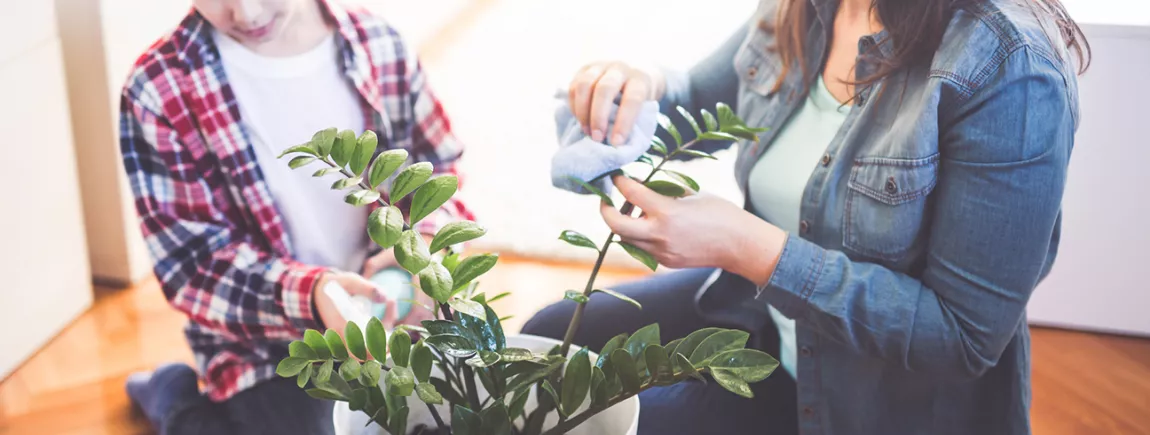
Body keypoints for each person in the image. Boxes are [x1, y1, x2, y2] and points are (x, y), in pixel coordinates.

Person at [523, 0, 1088, 434]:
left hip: (862, 403)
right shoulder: (807, 9)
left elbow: (962, 337)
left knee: (581, 417)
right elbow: (702, 96)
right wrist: (638, 85)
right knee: (543, 344)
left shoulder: (1012, 68)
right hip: (762, 319)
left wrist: (750, 249)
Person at [118, 0, 470, 433]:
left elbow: (438, 168)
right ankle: (175, 399)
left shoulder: (380, 45)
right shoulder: (157, 90)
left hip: (399, 308)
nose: (247, 14)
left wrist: (424, 245)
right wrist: (313, 294)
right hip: (268, 344)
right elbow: (193, 269)